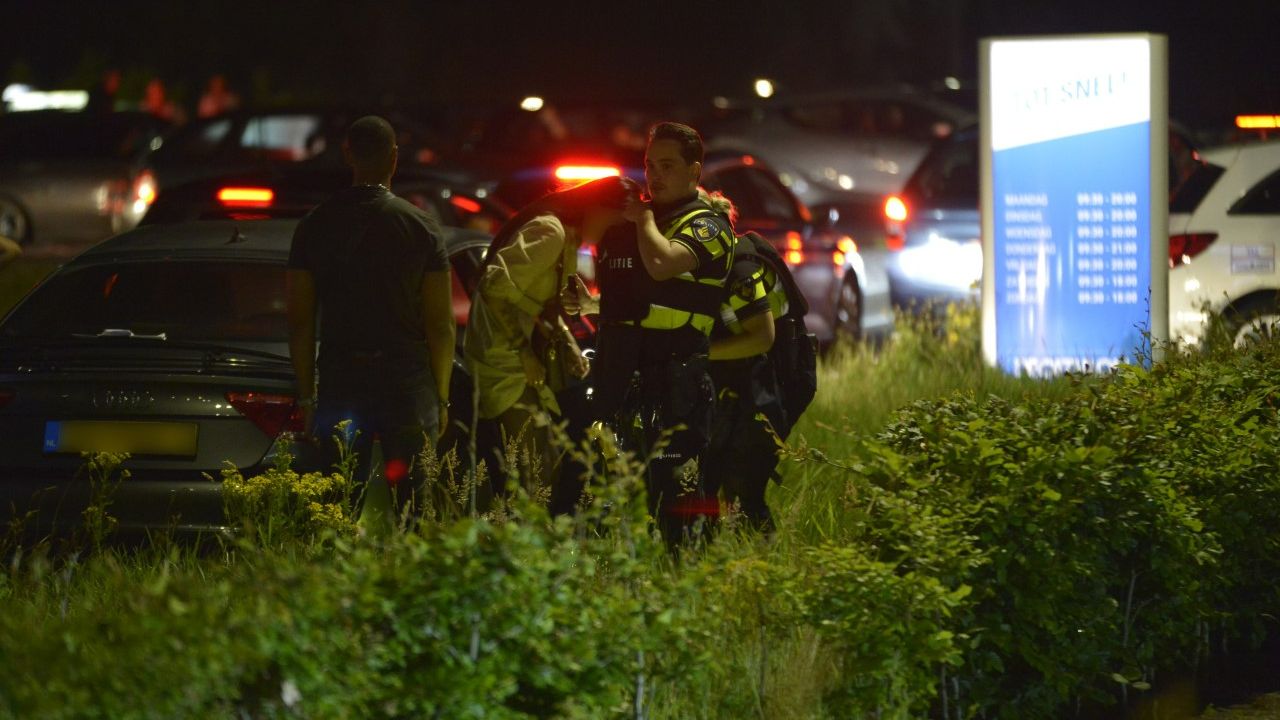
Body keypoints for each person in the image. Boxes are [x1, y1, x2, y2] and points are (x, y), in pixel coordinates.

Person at [286, 115, 455, 518]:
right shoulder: (421, 228)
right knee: (414, 502)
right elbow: (441, 325)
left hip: (342, 376)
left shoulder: (314, 226)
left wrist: (308, 394)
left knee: (338, 499)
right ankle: (406, 575)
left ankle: (338, 573)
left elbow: (300, 321)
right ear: (394, 158)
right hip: (406, 379)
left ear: (348, 155)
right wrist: (442, 395)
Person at [591, 121, 736, 547]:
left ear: (695, 170)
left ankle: (688, 588)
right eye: (650, 164)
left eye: (668, 165)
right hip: (626, 377)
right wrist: (589, 303)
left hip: (678, 384)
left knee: (679, 501)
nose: (654, 175)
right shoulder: (643, 221)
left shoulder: (708, 226)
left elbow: (662, 264)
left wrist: (643, 219)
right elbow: (645, 302)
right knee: (617, 493)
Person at [464, 176, 632, 497]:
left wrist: (568, 344)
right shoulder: (549, 232)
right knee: (531, 471)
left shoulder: (569, 240)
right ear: (597, 209)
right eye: (614, 221)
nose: (613, 232)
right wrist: (524, 352)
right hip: (503, 362)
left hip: (523, 364)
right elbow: (494, 288)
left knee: (542, 465)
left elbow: (542, 308)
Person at [704, 222, 790, 533]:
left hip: (757, 391)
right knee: (709, 481)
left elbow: (763, 338)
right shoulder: (708, 268)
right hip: (732, 389)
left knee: (743, 490)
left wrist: (703, 353)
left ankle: (764, 566)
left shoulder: (739, 271)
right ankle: (707, 562)